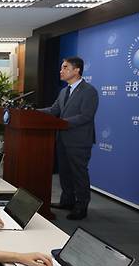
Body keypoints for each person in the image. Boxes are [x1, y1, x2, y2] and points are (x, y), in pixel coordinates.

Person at [39, 56, 99, 220]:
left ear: (77, 70)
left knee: (78, 173)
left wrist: (62, 123)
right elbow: (53, 110)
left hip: (79, 140)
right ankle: (67, 201)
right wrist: (33, 112)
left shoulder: (89, 91)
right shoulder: (64, 91)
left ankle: (81, 206)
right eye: (61, 68)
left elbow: (86, 116)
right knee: (65, 173)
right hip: (63, 139)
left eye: (65, 67)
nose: (61, 71)